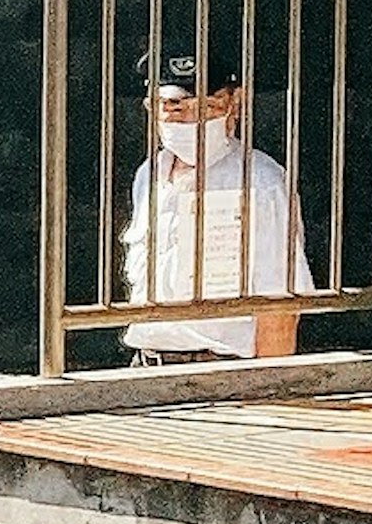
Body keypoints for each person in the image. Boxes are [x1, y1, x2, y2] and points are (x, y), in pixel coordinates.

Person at [120, 67, 302, 357]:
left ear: (235, 104)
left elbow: (279, 307)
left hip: (221, 370)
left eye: (207, 106)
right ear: (151, 108)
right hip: (149, 364)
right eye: (174, 106)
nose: (191, 118)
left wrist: (267, 390)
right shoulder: (149, 174)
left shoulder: (259, 181)